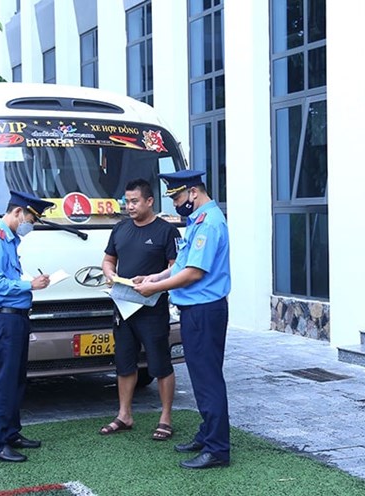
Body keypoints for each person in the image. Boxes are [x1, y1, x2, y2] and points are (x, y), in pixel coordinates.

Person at [134, 170, 231, 470]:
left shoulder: (208, 223)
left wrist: (155, 288)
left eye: (177, 197)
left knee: (207, 379)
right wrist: (156, 276)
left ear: (193, 192)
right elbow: (182, 265)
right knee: (203, 377)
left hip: (204, 310)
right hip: (197, 310)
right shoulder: (198, 221)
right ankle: (208, 433)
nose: (175, 203)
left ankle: (217, 448)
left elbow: (194, 273)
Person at [99, 178, 181, 440]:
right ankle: (124, 415)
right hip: (123, 307)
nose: (130, 206)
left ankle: (165, 418)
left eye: (135, 201)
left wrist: (153, 281)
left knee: (160, 364)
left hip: (152, 308)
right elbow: (108, 260)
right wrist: (110, 274)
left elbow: (176, 267)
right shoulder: (120, 229)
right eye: (127, 202)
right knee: (124, 363)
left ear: (149, 201)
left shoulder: (166, 231)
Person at [0, 190, 54, 463]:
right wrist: (29, 285)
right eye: (31, 220)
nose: (31, 225)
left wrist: (28, 284)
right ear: (18, 212)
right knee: (4, 381)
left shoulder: (9, 240)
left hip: (17, 318)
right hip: (6, 319)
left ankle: (10, 433)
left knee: (16, 380)